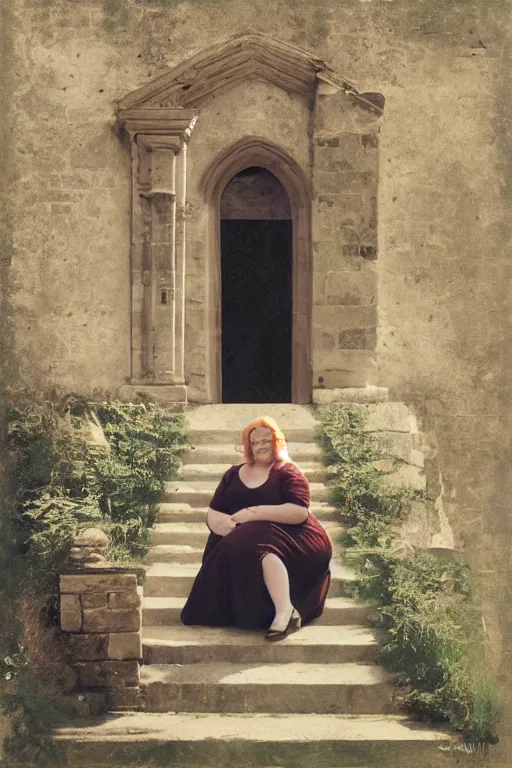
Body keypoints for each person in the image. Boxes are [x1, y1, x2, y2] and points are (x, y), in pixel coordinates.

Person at [180, 416, 333, 640]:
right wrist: (225, 527)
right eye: (254, 442)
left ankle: (285, 612)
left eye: (266, 440)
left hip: (297, 535)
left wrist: (253, 514)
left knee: (255, 539)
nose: (260, 446)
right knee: (245, 539)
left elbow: (299, 512)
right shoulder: (233, 474)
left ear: (277, 441)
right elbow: (214, 510)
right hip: (244, 537)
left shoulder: (288, 472)